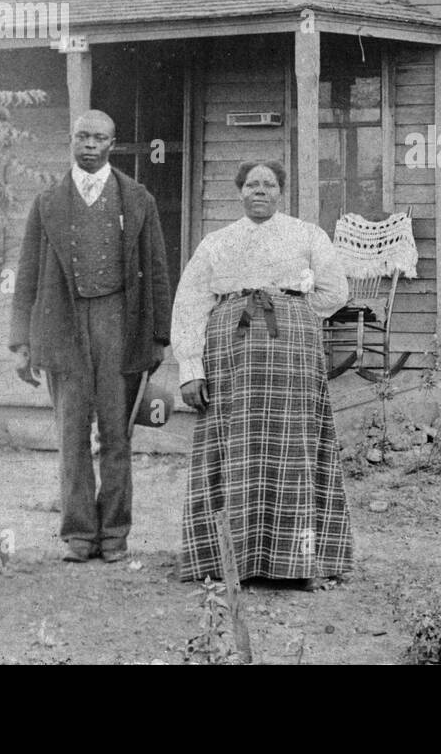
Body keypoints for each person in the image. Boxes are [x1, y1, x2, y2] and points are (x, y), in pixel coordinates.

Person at [172, 159, 352, 588]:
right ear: (240, 191)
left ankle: (298, 563)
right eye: (251, 184)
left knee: (294, 448)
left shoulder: (307, 235)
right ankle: (224, 561)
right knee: (233, 447)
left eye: (269, 184)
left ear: (280, 192)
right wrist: (191, 368)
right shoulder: (218, 242)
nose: (260, 191)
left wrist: (294, 313)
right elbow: (191, 303)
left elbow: (335, 291)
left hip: (292, 357)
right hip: (231, 358)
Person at [9, 109, 172, 562]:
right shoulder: (47, 203)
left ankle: (115, 534)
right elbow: (26, 276)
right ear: (71, 140)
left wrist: (159, 335)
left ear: (112, 144)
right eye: (82, 137)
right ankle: (78, 534)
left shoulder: (137, 199)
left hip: (119, 325)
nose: (89, 145)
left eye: (99, 138)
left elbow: (157, 270)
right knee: (72, 434)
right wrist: (21, 341)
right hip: (62, 327)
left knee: (117, 435)